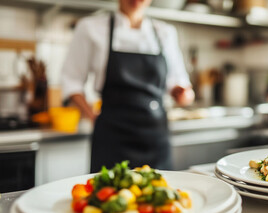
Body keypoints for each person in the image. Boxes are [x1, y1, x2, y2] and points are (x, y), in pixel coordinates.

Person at [61, 0, 194, 172]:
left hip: (155, 137)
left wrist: (183, 93)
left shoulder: (165, 33)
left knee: (158, 195)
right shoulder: (90, 28)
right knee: (108, 195)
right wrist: (92, 116)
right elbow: (71, 81)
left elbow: (180, 84)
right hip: (111, 136)